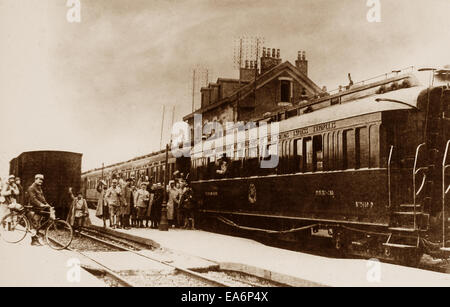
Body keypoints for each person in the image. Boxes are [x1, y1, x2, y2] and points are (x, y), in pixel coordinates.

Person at [27, 174, 51, 246]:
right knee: (35, 224)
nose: (41, 181)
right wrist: (41, 204)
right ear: (35, 179)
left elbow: (42, 198)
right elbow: (33, 199)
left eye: (42, 180)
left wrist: (47, 204)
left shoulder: (39, 188)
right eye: (39, 179)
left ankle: (36, 239)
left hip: (38, 208)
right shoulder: (31, 188)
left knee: (38, 224)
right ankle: (33, 241)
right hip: (32, 208)